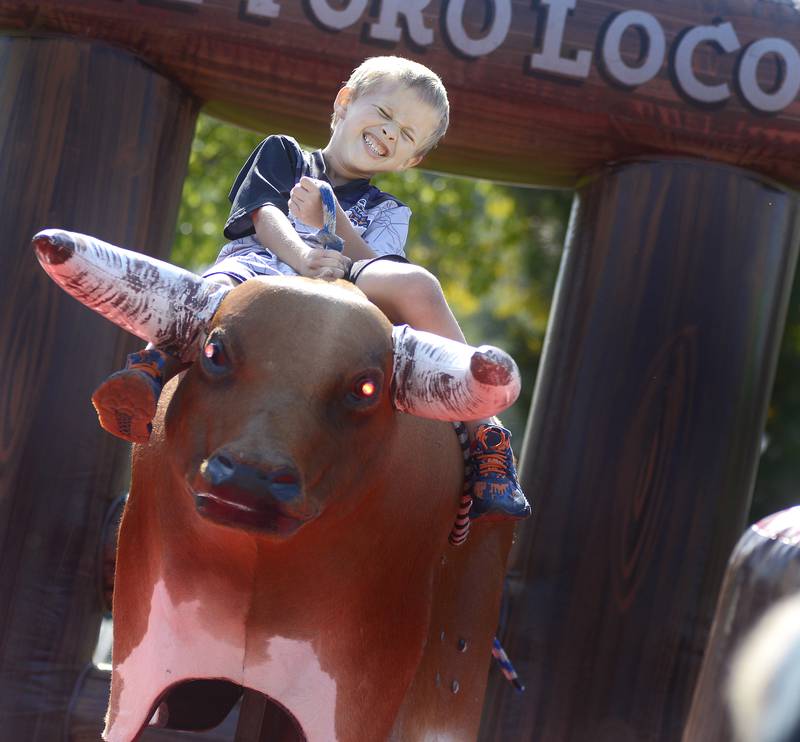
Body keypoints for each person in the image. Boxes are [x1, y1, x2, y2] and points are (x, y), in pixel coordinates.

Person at [92, 56, 530, 522]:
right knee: (214, 287)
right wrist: (302, 257)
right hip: (260, 268)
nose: (387, 134)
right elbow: (264, 217)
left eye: (405, 135)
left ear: (411, 160)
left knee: (418, 283)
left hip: (342, 288)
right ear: (344, 103)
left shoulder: (390, 211)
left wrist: (330, 219)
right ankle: (150, 368)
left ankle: (486, 435)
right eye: (384, 116)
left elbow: (376, 263)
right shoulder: (285, 154)